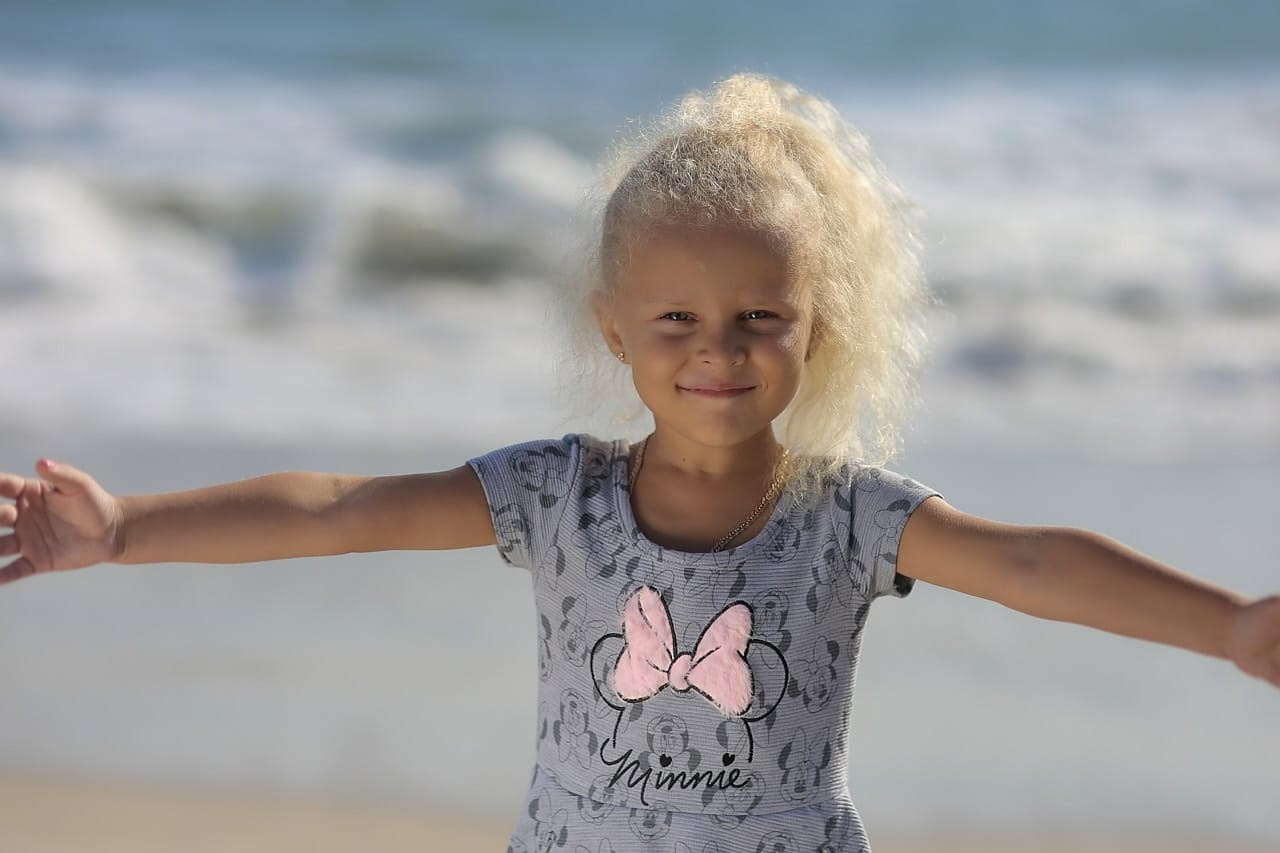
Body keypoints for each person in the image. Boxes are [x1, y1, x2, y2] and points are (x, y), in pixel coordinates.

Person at [1, 73, 1276, 853]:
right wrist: (125, 527)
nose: (716, 351)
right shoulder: (554, 497)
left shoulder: (847, 517)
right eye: (675, 320)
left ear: (813, 324)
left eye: (757, 318)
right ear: (614, 328)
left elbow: (1031, 561)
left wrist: (1226, 626)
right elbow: (343, 509)